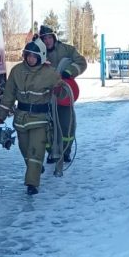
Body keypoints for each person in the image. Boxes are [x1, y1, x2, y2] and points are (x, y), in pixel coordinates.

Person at [0, 39, 63, 195]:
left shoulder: (49, 73)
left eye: (34, 56)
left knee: (35, 150)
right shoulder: (17, 71)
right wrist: (0, 116)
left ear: (40, 56)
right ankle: (36, 168)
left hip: (40, 119)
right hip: (21, 120)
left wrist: (60, 90)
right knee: (24, 149)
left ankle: (32, 184)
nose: (30, 58)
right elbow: (8, 95)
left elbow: (63, 90)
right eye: (28, 55)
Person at [38, 25, 87, 163]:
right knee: (47, 126)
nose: (47, 41)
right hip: (46, 95)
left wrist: (69, 72)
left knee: (67, 124)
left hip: (64, 94)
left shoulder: (67, 50)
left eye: (49, 37)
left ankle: (66, 151)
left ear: (54, 37)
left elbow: (81, 62)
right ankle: (51, 152)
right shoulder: (38, 52)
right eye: (44, 39)